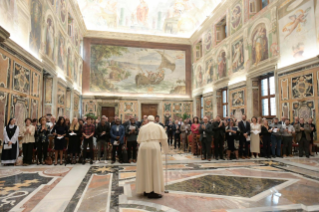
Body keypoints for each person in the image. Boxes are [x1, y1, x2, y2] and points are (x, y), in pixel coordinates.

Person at [135, 115, 169, 199]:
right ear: (154, 120)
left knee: (144, 168)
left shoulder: (142, 127)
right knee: (154, 168)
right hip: (154, 146)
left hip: (143, 147)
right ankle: (153, 191)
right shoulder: (158, 126)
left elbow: (138, 140)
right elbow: (164, 139)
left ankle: (146, 189)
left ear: (147, 120)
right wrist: (166, 150)